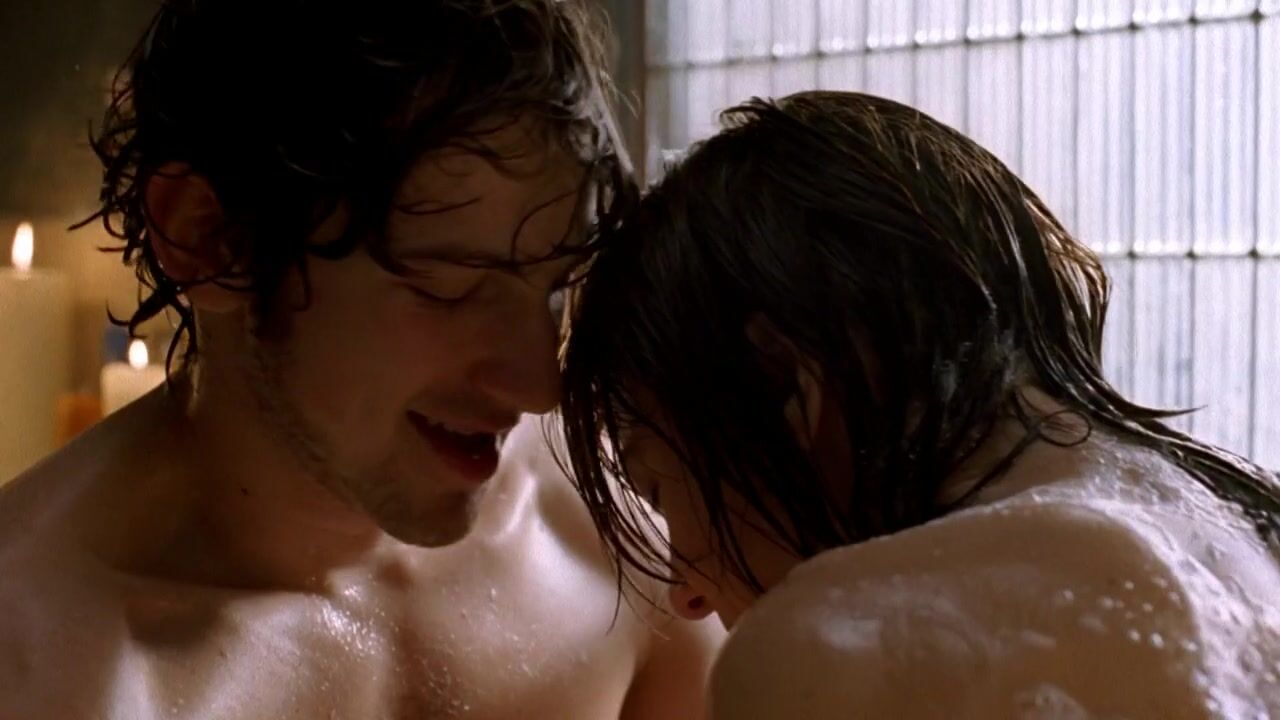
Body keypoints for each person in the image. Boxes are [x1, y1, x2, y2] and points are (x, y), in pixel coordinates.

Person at [0, 1, 723, 717]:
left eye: (556, 288)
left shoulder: (619, 543)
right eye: (450, 285)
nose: (538, 385)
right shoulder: (36, 664)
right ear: (209, 237)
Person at [560, 91, 1280, 718]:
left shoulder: (841, 645)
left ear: (786, 383)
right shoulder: (1257, 520)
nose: (685, 593)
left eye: (661, 492)